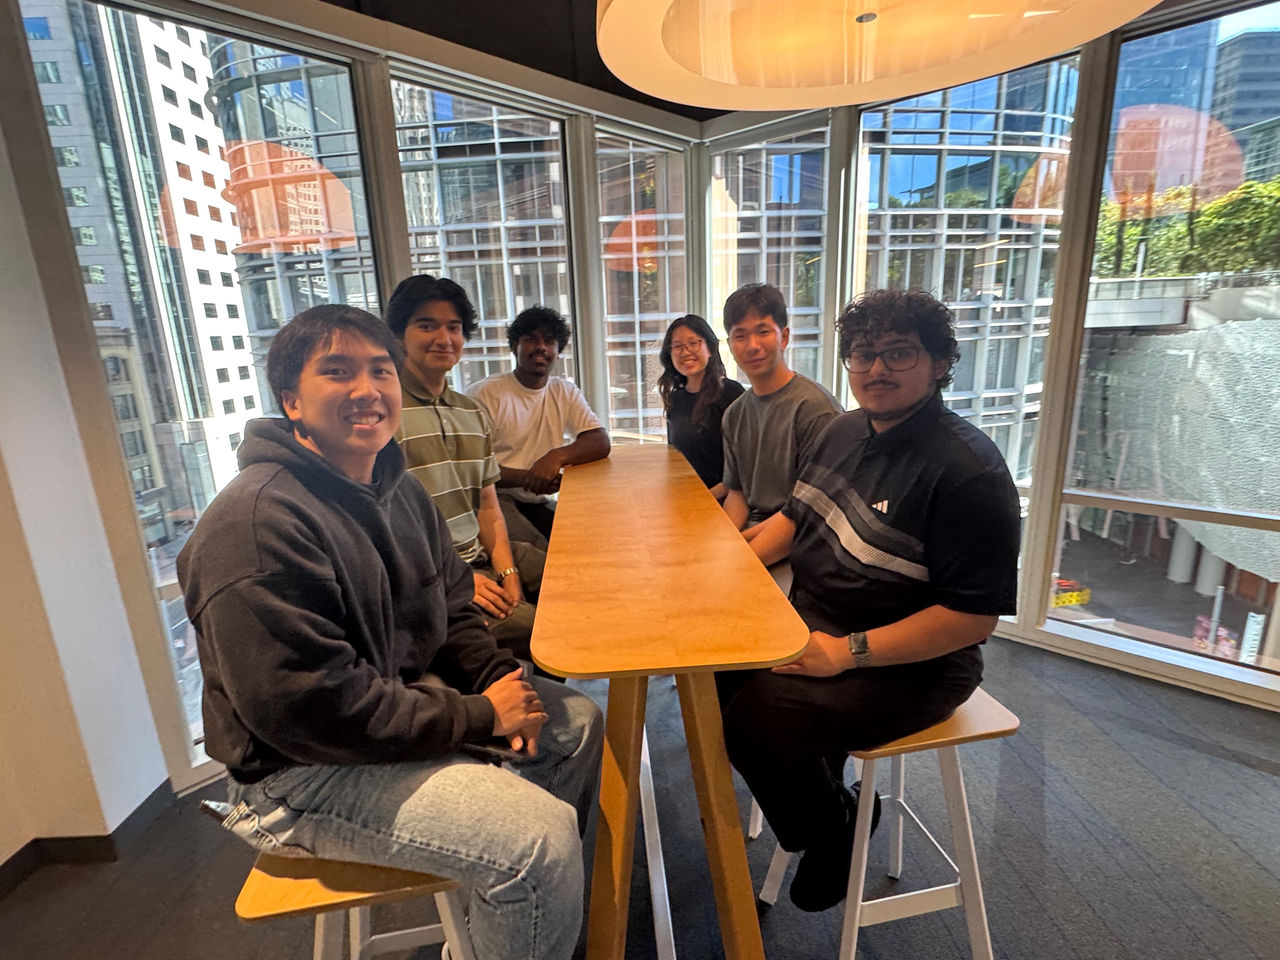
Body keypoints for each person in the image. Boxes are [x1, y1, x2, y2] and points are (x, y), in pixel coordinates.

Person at [177, 305, 603, 960]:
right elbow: (314, 710)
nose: (367, 390)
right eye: (338, 372)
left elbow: (454, 609)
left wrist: (497, 678)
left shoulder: (396, 490)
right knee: (535, 843)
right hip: (298, 773)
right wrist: (479, 713)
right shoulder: (255, 524)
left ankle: (521, 914)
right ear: (291, 399)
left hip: (389, 713)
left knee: (574, 724)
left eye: (379, 370)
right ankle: (523, 885)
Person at [719, 289, 1020, 914]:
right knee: (715, 668)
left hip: (914, 662)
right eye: (862, 354)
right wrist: (726, 567)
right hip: (817, 619)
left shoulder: (970, 473)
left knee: (760, 718)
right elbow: (796, 517)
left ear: (940, 363)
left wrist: (848, 655)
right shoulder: (842, 431)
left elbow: (972, 618)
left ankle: (837, 827)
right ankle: (828, 804)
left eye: (898, 353)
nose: (876, 368)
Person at [385, 274, 544, 664]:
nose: (444, 338)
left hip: (481, 556)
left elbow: (488, 508)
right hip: (433, 581)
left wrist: (508, 574)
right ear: (398, 334)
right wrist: (458, 582)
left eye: (453, 327)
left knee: (585, 583)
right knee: (550, 628)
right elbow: (383, 528)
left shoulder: (471, 411)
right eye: (427, 325)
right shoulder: (383, 415)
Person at [718, 283, 842, 574]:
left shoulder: (815, 409)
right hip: (755, 539)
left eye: (763, 331)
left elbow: (811, 514)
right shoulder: (734, 414)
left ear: (784, 336)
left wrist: (734, 554)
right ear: (730, 344)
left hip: (803, 548)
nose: (752, 345)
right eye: (740, 335)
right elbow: (737, 494)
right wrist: (723, 540)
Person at [467, 306, 610, 544]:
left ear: (557, 350)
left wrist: (556, 457)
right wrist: (529, 478)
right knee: (541, 558)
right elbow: (472, 468)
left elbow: (599, 440)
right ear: (515, 347)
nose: (541, 347)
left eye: (549, 341)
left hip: (537, 500)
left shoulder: (563, 391)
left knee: (589, 540)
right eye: (531, 339)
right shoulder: (485, 394)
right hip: (493, 499)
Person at [657, 313, 745, 498]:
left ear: (710, 348)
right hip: (689, 499)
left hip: (729, 501)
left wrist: (707, 498)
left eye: (693, 343)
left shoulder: (730, 393)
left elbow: (746, 464)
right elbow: (678, 459)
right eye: (678, 346)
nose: (686, 351)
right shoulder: (675, 399)